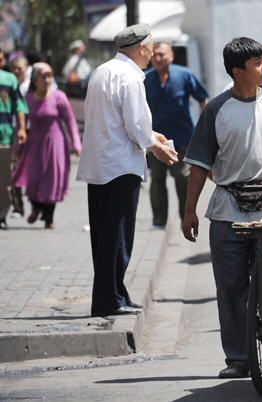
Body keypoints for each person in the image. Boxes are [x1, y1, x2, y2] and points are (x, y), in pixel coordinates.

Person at [182, 37, 262, 378]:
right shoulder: (216, 109)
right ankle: (237, 357)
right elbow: (199, 165)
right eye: (257, 64)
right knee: (231, 286)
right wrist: (189, 210)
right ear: (237, 71)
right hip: (227, 211)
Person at [76, 24, 178, 317]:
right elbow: (135, 125)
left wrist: (151, 135)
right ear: (141, 48)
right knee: (118, 236)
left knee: (104, 235)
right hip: (120, 165)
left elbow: (121, 120)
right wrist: (155, 145)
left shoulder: (103, 71)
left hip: (100, 164)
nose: (151, 53)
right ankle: (109, 300)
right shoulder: (132, 77)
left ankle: (115, 294)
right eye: (150, 47)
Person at [144, 42, 209, 228]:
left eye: (162, 55)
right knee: (157, 180)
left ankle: (185, 219)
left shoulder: (184, 75)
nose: (157, 58)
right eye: (154, 54)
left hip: (183, 139)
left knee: (183, 179)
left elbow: (203, 99)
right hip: (156, 141)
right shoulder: (145, 80)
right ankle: (159, 220)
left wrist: (206, 128)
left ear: (171, 56)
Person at [10, 63, 80, 229]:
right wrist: (17, 147)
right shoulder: (27, 98)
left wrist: (77, 144)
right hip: (34, 144)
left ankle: (48, 217)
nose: (47, 80)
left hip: (55, 143)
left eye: (49, 76)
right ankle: (35, 207)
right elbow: (21, 124)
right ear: (35, 79)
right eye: (43, 76)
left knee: (52, 179)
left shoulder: (59, 97)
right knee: (33, 178)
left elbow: (70, 121)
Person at [0, 48, 27, 229]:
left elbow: (19, 106)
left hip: (4, 136)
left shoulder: (9, 79)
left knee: (4, 180)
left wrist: (22, 128)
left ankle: (1, 216)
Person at [8, 54, 28, 216]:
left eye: (19, 68)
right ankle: (17, 205)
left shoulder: (30, 87)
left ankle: (38, 204)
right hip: (12, 134)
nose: (16, 71)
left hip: (30, 134)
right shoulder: (8, 85)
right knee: (13, 170)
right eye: (13, 68)